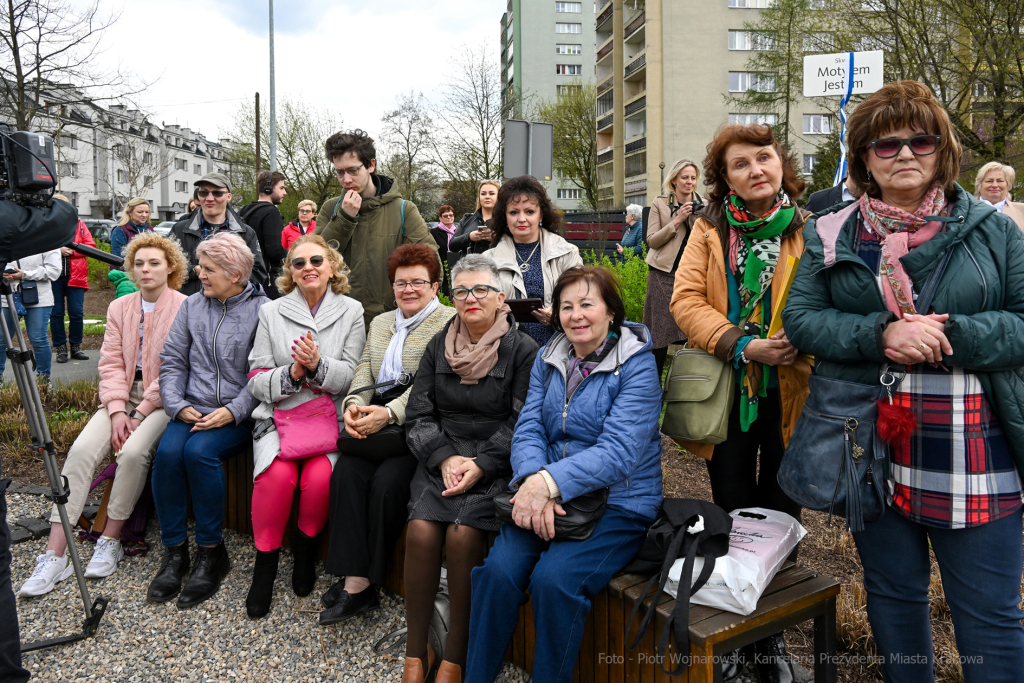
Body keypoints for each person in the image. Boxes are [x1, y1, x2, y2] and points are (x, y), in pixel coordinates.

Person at [784, 80, 1024, 683]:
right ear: (863, 157)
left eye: (920, 140)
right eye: (886, 145)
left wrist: (949, 336)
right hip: (871, 436)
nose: (905, 154)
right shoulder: (831, 231)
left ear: (942, 150)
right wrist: (881, 335)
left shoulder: (995, 232)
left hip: (972, 440)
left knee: (989, 613)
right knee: (892, 594)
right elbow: (802, 319)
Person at [466, 265, 664, 683]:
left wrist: (548, 484)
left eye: (587, 305)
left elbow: (620, 452)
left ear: (611, 311)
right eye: (566, 306)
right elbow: (530, 427)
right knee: (497, 573)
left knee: (554, 581)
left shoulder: (637, 366)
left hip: (619, 502)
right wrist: (534, 481)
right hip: (547, 491)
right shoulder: (550, 355)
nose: (575, 315)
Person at [669, 123, 811, 683]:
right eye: (740, 163)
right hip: (730, 393)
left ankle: (768, 642)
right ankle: (733, 638)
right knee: (729, 516)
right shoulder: (708, 229)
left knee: (781, 517)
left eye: (764, 158)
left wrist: (801, 334)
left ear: (780, 165)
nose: (755, 169)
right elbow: (685, 301)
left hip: (793, 392)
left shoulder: (811, 228)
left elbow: (828, 295)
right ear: (723, 178)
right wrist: (744, 343)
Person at [18, 233, 188, 596]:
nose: (145, 270)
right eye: (139, 263)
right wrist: (115, 411)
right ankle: (55, 554)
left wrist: (139, 414)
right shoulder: (119, 307)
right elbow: (110, 362)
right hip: (120, 395)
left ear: (170, 266)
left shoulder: (185, 307)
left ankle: (110, 538)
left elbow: (177, 370)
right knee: (80, 453)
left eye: (154, 263)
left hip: (160, 400)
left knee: (132, 452)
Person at [400, 253, 538, 683]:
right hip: (442, 455)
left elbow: (524, 421)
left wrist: (482, 463)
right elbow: (419, 415)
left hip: (495, 461)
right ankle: (415, 652)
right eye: (461, 291)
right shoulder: (437, 345)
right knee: (421, 530)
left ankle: (456, 655)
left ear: (501, 298)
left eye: (480, 290)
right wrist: (443, 458)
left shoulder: (521, 350)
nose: (470, 298)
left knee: (462, 538)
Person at [319, 244, 455, 625]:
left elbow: (435, 382)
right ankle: (354, 580)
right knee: (345, 474)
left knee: (386, 485)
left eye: (417, 283)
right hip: (374, 417)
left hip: (418, 423)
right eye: (400, 283)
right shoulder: (381, 321)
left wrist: (390, 412)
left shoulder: (448, 321)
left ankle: (365, 583)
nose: (408, 290)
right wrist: (353, 406)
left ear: (435, 286)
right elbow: (365, 367)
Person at [243, 235, 365, 619]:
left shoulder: (352, 311)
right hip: (279, 417)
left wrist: (318, 367)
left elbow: (353, 374)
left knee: (319, 480)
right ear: (290, 274)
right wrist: (292, 374)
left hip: (326, 418)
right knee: (275, 478)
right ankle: (265, 569)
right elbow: (255, 376)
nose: (308, 267)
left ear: (332, 267)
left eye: (316, 260)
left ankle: (305, 555)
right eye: (299, 263)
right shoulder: (272, 312)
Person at [148, 233, 268, 608]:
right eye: (200, 265)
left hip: (236, 414)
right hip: (190, 407)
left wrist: (232, 411)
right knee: (167, 455)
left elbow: (264, 372)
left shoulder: (264, 311)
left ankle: (212, 553)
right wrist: (175, 403)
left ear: (234, 274)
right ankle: (175, 552)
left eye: (208, 268)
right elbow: (172, 361)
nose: (199, 273)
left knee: (199, 453)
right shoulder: (192, 306)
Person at [314, 129, 437, 330]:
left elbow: (431, 265)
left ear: (371, 165)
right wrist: (344, 219)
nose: (346, 180)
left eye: (353, 170)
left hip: (391, 324)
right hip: (338, 323)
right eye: (339, 172)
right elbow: (314, 260)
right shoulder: (331, 209)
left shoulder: (403, 210)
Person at [490, 175, 583, 347]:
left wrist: (558, 314)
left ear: (541, 215)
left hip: (559, 345)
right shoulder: (488, 260)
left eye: (529, 211)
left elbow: (582, 298)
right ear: (505, 217)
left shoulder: (566, 253)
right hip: (507, 349)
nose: (522, 218)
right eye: (514, 212)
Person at [644, 159, 705, 378]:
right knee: (659, 335)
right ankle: (652, 389)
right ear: (674, 180)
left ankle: (693, 386)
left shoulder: (704, 204)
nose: (689, 182)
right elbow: (652, 241)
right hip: (662, 274)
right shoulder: (660, 203)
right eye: (685, 177)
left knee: (695, 331)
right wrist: (677, 220)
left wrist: (698, 217)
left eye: (693, 178)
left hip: (694, 276)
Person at [170, 172, 269, 296]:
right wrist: (194, 271)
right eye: (204, 193)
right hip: (188, 307)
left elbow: (258, 275)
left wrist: (224, 277)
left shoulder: (246, 233)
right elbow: (167, 267)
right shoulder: (179, 230)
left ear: (228, 197)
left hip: (231, 309)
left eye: (217, 193)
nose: (209, 198)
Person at [0, 247, 61, 389]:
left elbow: (54, 271)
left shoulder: (48, 238)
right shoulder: (8, 235)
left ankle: (44, 381)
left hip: (39, 298)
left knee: (38, 339)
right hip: (7, 296)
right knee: (2, 339)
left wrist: (24, 274)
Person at [49, 194, 97, 364]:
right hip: (53, 277)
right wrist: (57, 251)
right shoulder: (46, 225)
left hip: (75, 275)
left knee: (76, 312)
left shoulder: (79, 224)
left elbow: (91, 246)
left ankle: (76, 347)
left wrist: (73, 251)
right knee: (56, 313)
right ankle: (60, 348)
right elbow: (38, 248)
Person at [239, 170, 289, 299]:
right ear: (268, 188)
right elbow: (274, 250)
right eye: (282, 188)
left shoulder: (244, 210)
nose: (285, 192)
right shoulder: (271, 213)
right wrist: (292, 256)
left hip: (244, 278)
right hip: (265, 281)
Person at [447, 180, 500, 267]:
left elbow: (515, 245)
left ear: (498, 197)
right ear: (479, 196)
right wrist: (469, 236)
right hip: (469, 271)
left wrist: (495, 238)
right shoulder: (468, 219)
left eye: (491, 193)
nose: (487, 197)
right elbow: (452, 245)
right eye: (483, 194)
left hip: (495, 271)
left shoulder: (505, 220)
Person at [974, 161, 1024, 231]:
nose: (995, 185)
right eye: (989, 181)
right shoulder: (966, 210)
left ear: (1008, 185)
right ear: (979, 186)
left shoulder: (1022, 210)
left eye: (1000, 181)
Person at [110, 197, 154, 268]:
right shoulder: (120, 230)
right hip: (124, 274)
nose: (144, 215)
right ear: (130, 212)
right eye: (140, 212)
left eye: (147, 212)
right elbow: (118, 256)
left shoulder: (150, 229)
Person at [430, 205, 457, 296]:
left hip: (456, 265)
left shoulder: (458, 231)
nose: (449, 217)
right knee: (445, 292)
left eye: (451, 215)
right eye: (445, 216)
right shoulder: (434, 232)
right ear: (440, 218)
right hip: (442, 266)